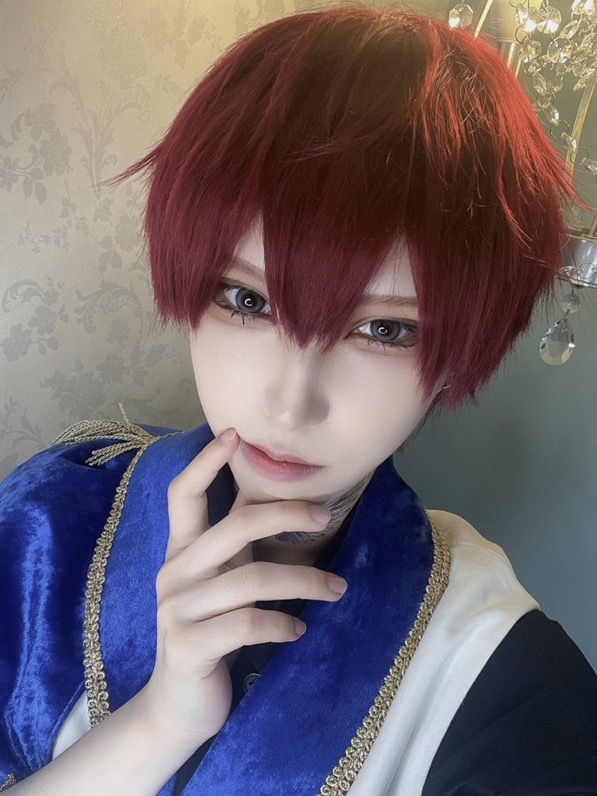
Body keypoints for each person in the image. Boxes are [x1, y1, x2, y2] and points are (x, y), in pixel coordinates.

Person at [1, 5, 596, 795]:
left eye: (384, 329)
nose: (288, 406)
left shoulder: (499, 679)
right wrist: (160, 722)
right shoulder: (51, 517)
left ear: (455, 357)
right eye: (246, 300)